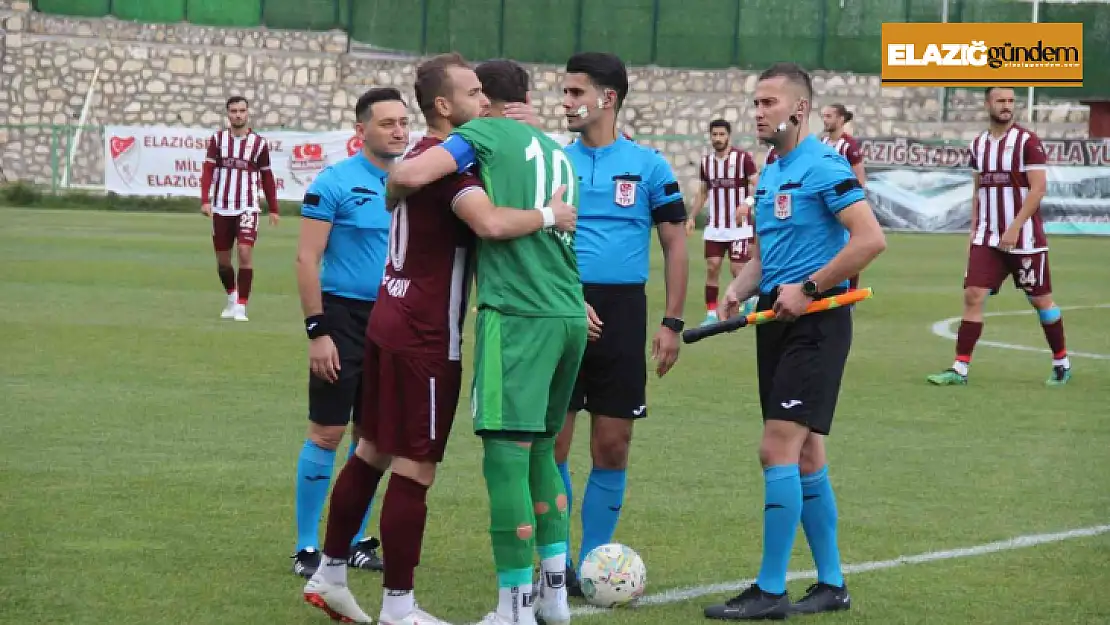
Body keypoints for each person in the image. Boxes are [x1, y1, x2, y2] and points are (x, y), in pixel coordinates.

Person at [302, 54, 577, 625]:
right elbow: (492, 224)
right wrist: (550, 214)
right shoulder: (454, 167)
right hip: (426, 335)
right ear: (446, 106)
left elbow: (396, 190)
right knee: (416, 468)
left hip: (387, 316)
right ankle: (400, 608)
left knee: (372, 450)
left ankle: (330, 572)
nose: (485, 102)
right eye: (474, 93)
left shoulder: (420, 155)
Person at [387, 58, 588, 625]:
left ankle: (513, 609)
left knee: (506, 458)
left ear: (488, 100)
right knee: (546, 452)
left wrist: (394, 186)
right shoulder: (554, 148)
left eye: (476, 93)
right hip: (568, 312)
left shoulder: (481, 134)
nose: (471, 103)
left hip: (518, 316)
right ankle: (553, 599)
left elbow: (409, 175)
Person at [704, 62, 886, 621]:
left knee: (775, 448)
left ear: (799, 110)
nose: (756, 113)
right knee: (806, 453)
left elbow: (870, 239)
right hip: (774, 320)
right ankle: (832, 585)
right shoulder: (772, 171)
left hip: (818, 322)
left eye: (767, 103)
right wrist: (738, 288)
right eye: (754, 104)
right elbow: (766, 257)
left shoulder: (824, 166)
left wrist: (808, 288)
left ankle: (770, 590)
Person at [556, 51, 689, 593]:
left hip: (624, 311)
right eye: (563, 92)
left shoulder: (651, 165)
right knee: (554, 444)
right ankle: (555, 561)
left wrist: (672, 322)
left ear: (606, 99)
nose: (565, 102)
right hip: (562, 307)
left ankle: (595, 564)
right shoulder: (555, 162)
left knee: (612, 444)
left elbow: (676, 244)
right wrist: (565, 298)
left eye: (574, 92)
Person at [290, 87, 407, 579]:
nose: (399, 131)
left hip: (394, 319)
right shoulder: (334, 182)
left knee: (375, 436)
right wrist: (318, 331)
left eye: (403, 122)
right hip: (341, 318)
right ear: (361, 132)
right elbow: (306, 258)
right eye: (387, 124)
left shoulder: (415, 182)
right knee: (328, 431)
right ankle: (306, 546)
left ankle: (356, 539)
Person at [927, 87, 1070, 387]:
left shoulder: (1027, 142)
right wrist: (973, 232)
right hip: (986, 237)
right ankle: (960, 369)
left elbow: (1038, 188)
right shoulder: (978, 145)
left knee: (1040, 300)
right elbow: (979, 190)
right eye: (1000, 101)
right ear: (987, 104)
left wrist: (1015, 226)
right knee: (973, 294)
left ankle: (1061, 362)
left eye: (1010, 102)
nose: (1006, 106)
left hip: (1024, 238)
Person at [199, 95, 279, 322]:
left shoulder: (259, 143)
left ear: (247, 113)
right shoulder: (217, 140)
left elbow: (267, 176)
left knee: (244, 252)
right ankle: (232, 296)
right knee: (223, 261)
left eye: (242, 110)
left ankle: (242, 306)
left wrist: (273, 208)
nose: (238, 115)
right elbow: (207, 171)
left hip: (247, 207)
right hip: (221, 208)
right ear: (228, 114)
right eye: (233, 111)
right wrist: (205, 200)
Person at [686, 118, 758, 325]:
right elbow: (703, 192)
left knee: (738, 270)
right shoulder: (707, 162)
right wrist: (691, 217)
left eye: (721, 134)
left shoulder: (743, 159)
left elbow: (758, 184)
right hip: (715, 227)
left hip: (739, 228)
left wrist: (747, 203)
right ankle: (711, 314)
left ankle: (750, 299)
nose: (718, 139)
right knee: (712, 266)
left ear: (728, 136)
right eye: (714, 135)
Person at [820, 103, 866, 290]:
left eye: (829, 116)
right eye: (823, 116)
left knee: (849, 249)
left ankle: (850, 293)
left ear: (840, 119)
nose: (825, 120)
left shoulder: (849, 146)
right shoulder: (821, 144)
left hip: (843, 205)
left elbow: (860, 180)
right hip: (823, 206)